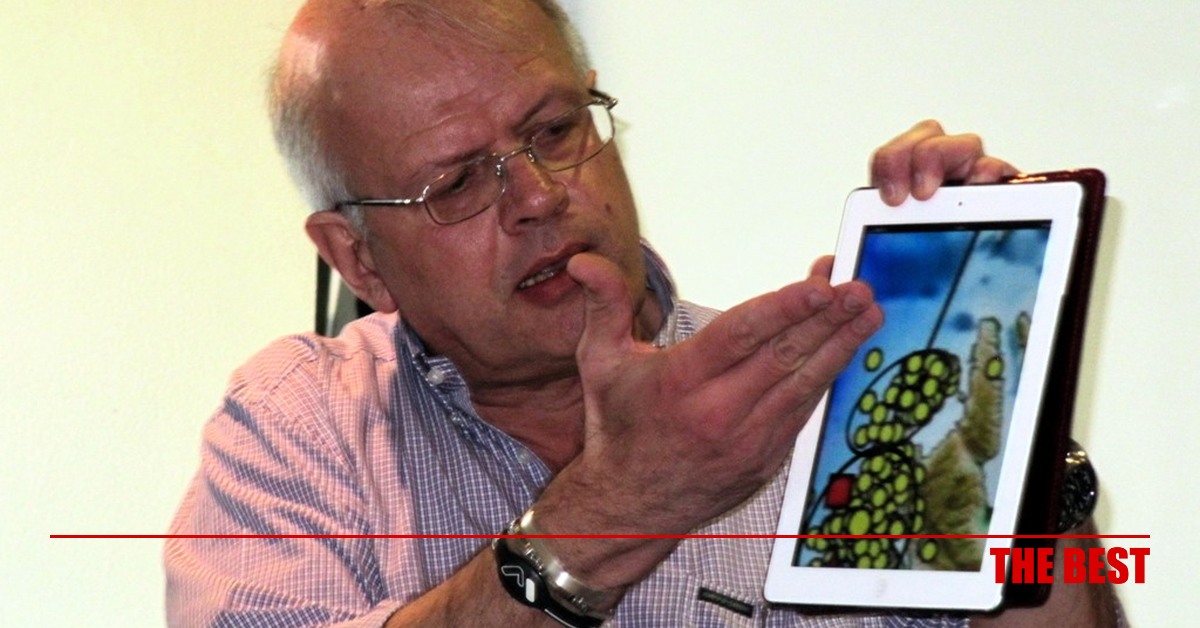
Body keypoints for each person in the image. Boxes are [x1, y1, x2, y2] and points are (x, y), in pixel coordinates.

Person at [165, 0, 1119, 626]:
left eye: (554, 130)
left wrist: (1014, 437)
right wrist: (609, 512)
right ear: (357, 258)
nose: (538, 196)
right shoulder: (302, 424)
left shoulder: (822, 402)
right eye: (455, 182)